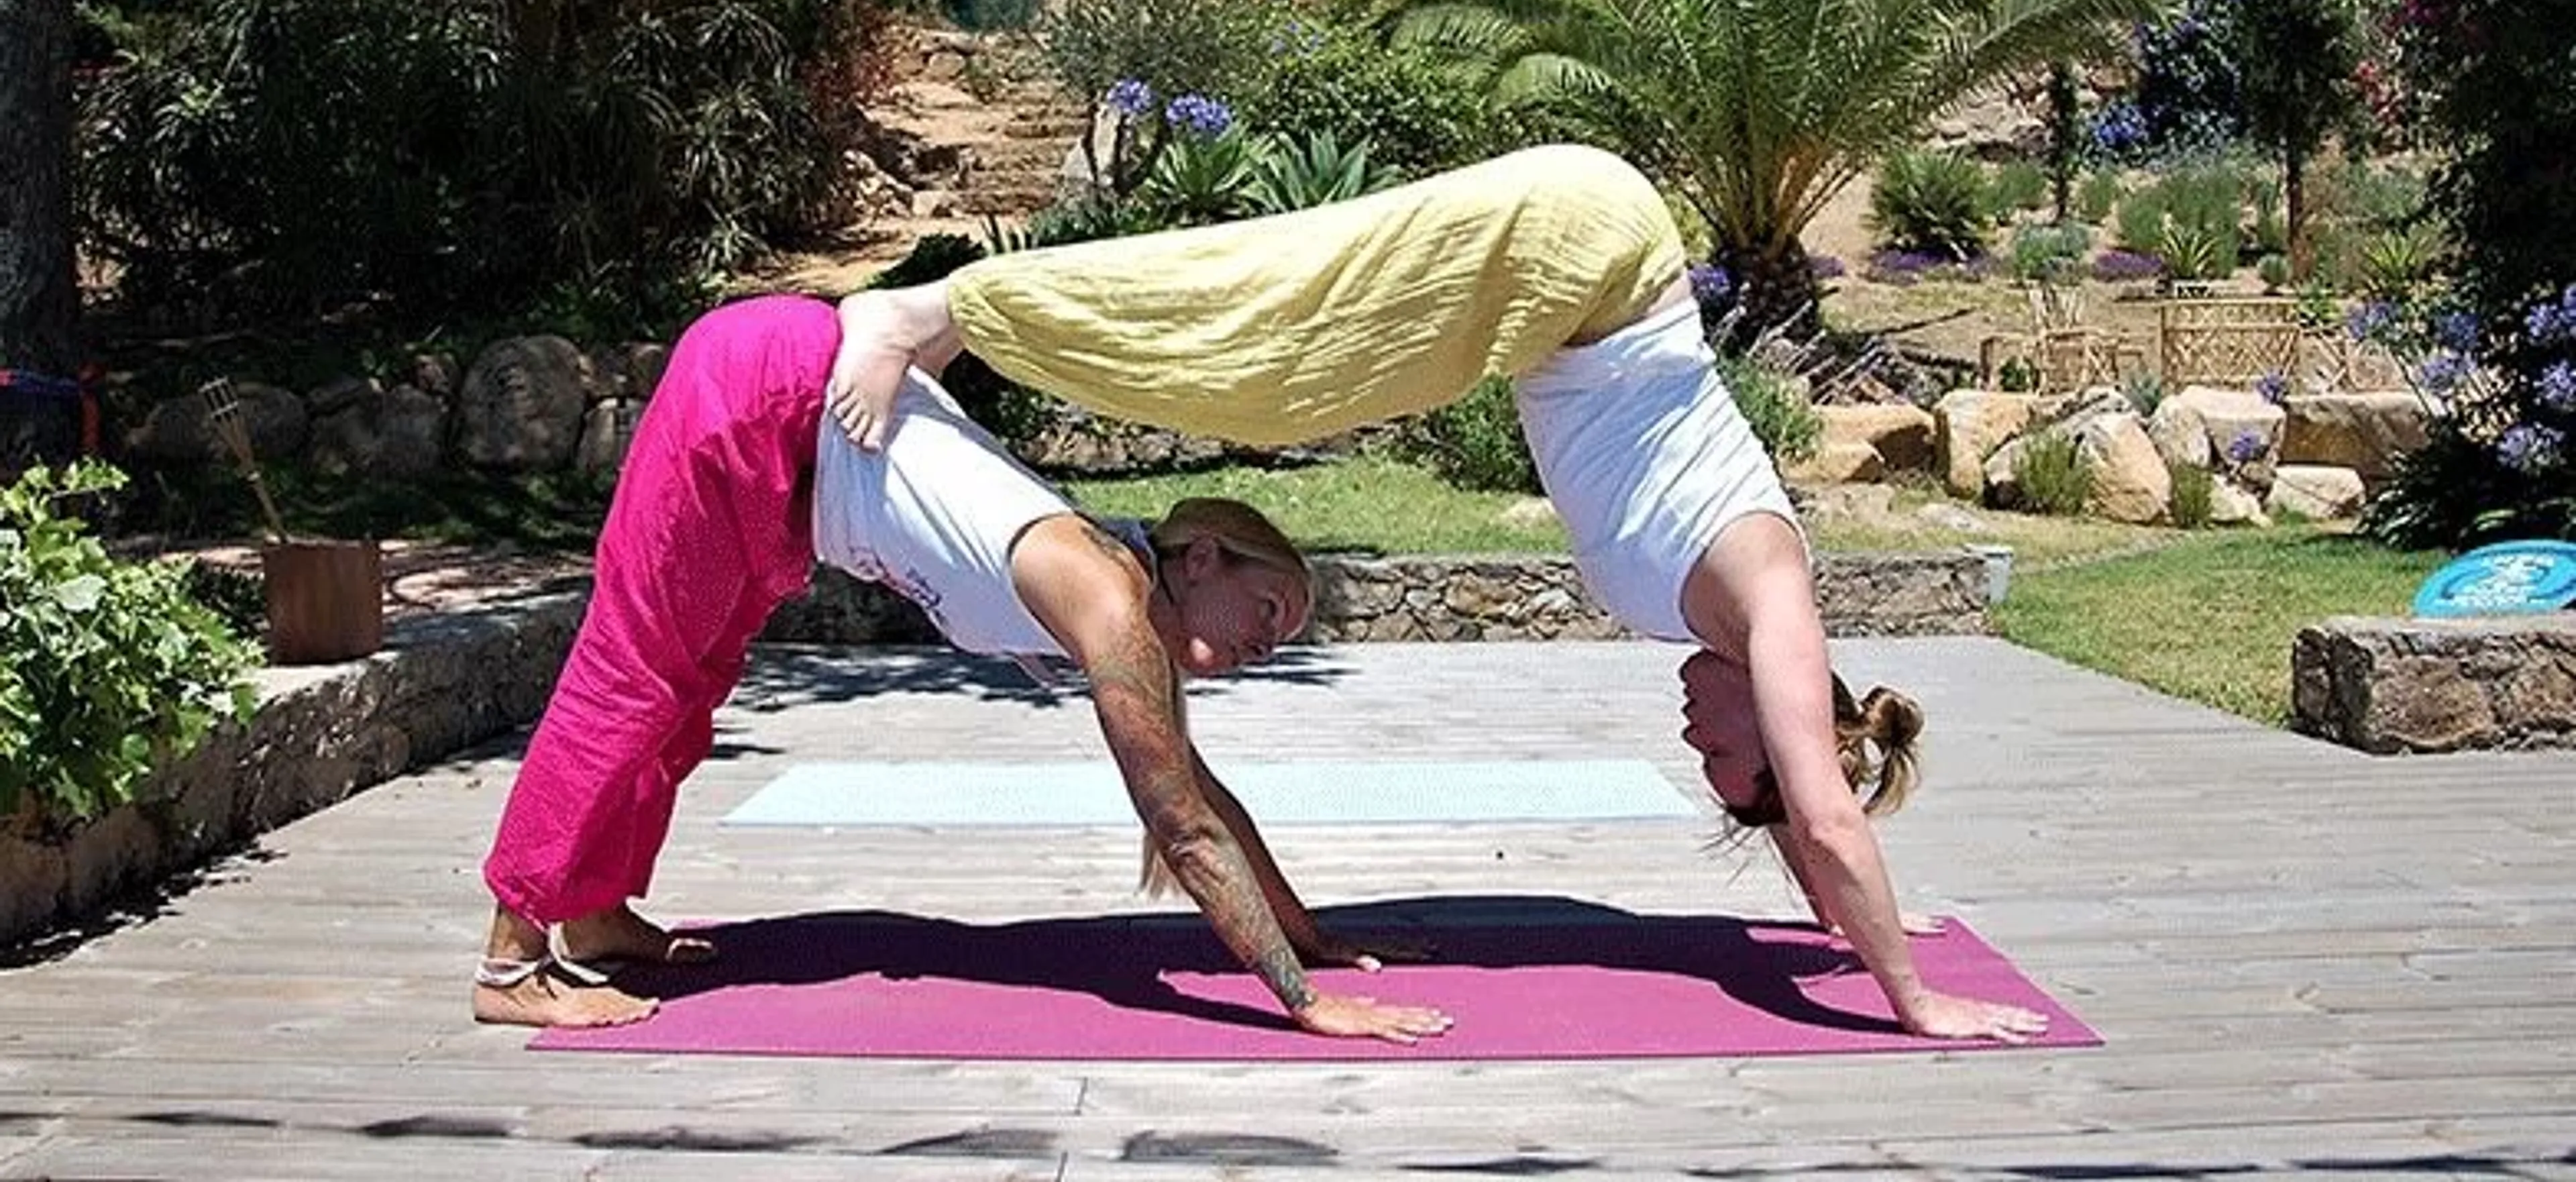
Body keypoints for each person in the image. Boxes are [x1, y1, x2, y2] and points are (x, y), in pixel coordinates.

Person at [828, 143, 2049, 1044]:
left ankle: (948, 329)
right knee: (1277, 334)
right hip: (1588, 253)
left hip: (1562, 292)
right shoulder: (1775, 600)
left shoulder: (1740, 629)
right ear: (1791, 728)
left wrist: (1843, 927)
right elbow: (1824, 813)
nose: (1696, 740)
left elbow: (1807, 814)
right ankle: (926, 309)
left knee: (1272, 359)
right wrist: (1914, 993)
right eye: (1724, 757)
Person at [472, 292, 1453, 1046]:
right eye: (1272, 607)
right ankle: (512, 966)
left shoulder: (1126, 600)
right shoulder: (1104, 593)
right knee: (635, 676)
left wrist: (1308, 928)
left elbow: (1194, 788)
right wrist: (1305, 997)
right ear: (1202, 557)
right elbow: (1183, 829)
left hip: (789, 439)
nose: (1271, 642)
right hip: (761, 400)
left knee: (686, 688)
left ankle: (594, 911)